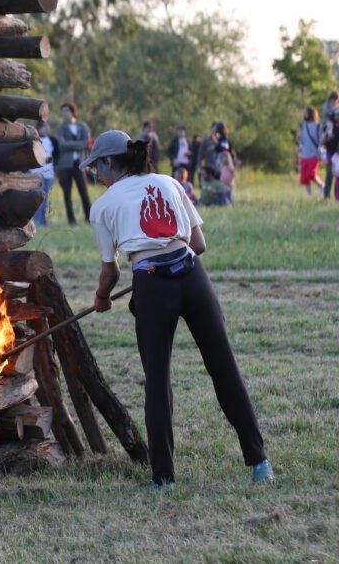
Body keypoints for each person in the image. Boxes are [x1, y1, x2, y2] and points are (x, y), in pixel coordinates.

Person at [82, 130, 273, 490]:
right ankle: (260, 462)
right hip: (193, 277)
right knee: (224, 367)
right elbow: (198, 244)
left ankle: (164, 477)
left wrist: (101, 298)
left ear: (109, 163)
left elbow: (111, 271)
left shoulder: (104, 206)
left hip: (153, 285)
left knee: (158, 380)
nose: (95, 176)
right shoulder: (170, 182)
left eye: (95, 168)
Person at [53, 103, 92, 225]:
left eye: (66, 110)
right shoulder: (60, 128)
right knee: (67, 194)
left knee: (84, 192)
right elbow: (61, 145)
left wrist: (71, 144)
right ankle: (71, 220)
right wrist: (78, 145)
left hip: (80, 164)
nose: (64, 113)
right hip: (65, 165)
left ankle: (88, 218)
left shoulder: (82, 126)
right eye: (62, 111)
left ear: (72, 111)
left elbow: (87, 143)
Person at [30, 121, 57, 226]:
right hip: (37, 173)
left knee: (46, 199)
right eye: (42, 127)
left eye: (46, 127)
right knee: (38, 198)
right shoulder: (34, 141)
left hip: (49, 174)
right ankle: (37, 221)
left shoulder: (52, 140)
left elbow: (55, 154)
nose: (44, 129)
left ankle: (44, 221)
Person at [297, 107, 324, 196]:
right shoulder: (303, 125)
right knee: (304, 178)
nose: (304, 114)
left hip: (314, 154)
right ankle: (309, 196)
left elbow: (321, 140)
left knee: (311, 174)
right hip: (305, 154)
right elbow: (302, 139)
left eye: (305, 113)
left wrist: (321, 150)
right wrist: (300, 147)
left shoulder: (318, 126)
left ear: (310, 114)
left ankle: (321, 185)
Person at [321, 93, 339, 200]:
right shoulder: (329, 126)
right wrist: (327, 134)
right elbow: (323, 141)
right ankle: (326, 196)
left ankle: (337, 196)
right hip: (331, 152)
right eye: (336, 115)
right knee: (329, 174)